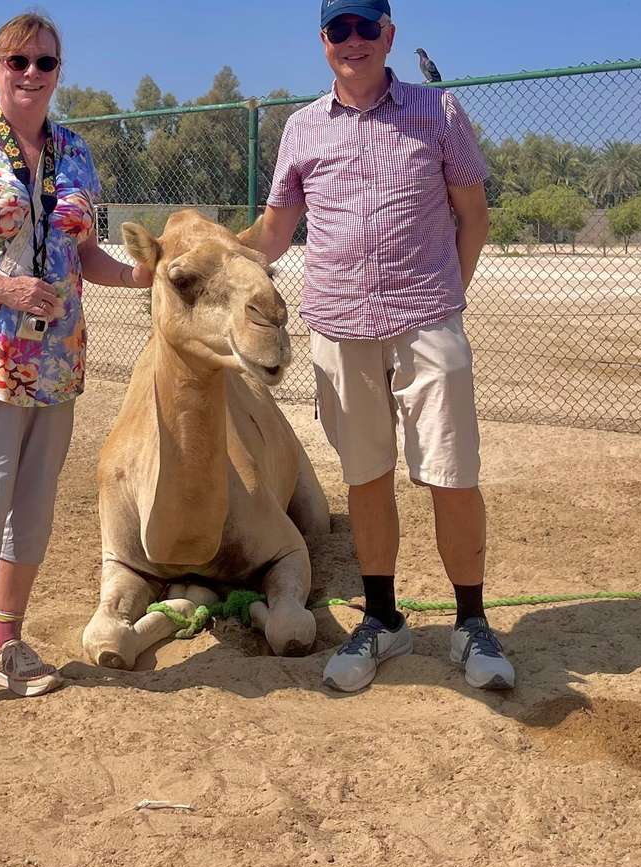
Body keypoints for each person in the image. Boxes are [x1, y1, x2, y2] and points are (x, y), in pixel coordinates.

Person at [242, 0, 516, 694]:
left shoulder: (438, 112)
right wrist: (201, 251)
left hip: (428, 324)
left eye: (368, 28)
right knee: (365, 476)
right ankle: (384, 620)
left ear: (389, 36)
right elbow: (274, 234)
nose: (354, 41)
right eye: (341, 29)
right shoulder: (302, 128)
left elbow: (473, 217)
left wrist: (445, 299)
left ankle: (472, 624)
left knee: (452, 474)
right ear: (323, 41)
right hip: (337, 330)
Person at [0, 11, 152, 725]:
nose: (32, 74)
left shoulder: (75, 150)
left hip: (58, 359)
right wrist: (0, 287)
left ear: (57, 73)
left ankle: (4, 644)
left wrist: (151, 274)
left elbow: (87, 257)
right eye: (18, 62)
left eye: (45, 63)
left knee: (35, 507)